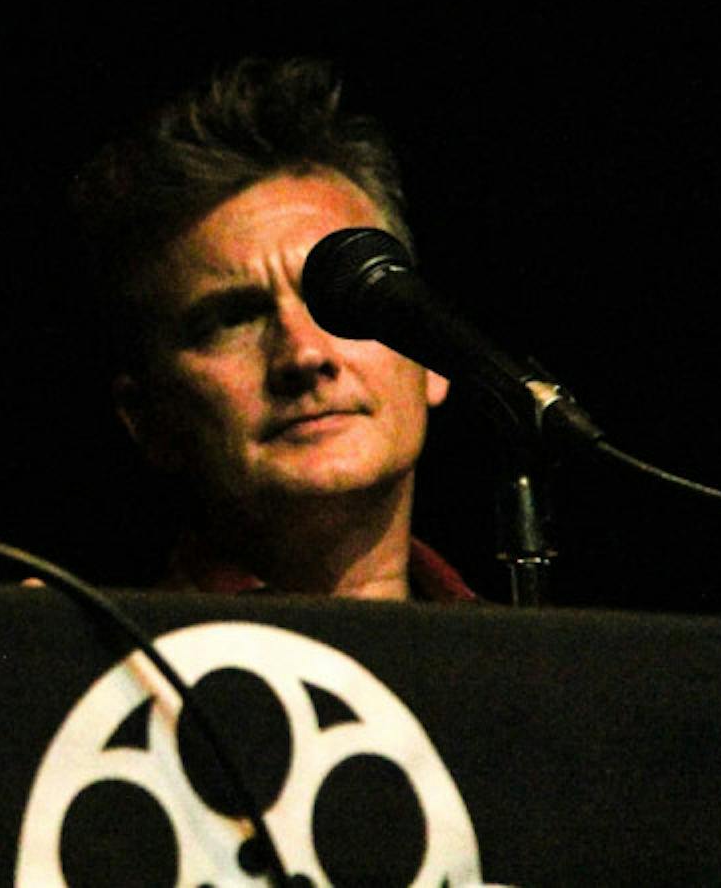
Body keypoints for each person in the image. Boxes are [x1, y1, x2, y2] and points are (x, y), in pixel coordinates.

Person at [69, 56, 476, 601]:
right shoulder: (97, 656)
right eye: (233, 319)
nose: (304, 354)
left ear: (431, 349)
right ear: (148, 418)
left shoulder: (534, 651)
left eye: (345, 297)